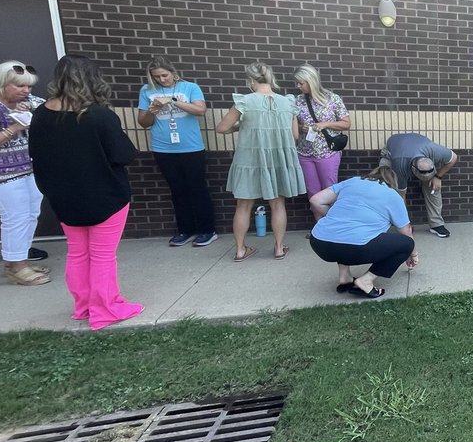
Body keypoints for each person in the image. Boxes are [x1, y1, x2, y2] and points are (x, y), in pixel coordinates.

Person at [29, 55, 143, 329]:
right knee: (103, 255)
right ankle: (104, 310)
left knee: (78, 253)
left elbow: (36, 155)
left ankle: (83, 307)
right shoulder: (100, 116)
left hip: (63, 196)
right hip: (105, 195)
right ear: (93, 80)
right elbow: (124, 154)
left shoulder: (41, 115)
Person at [215, 62, 306, 262]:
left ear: (250, 80)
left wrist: (241, 127)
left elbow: (222, 128)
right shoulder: (287, 102)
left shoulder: (245, 101)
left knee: (243, 206)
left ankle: (240, 250)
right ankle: (279, 248)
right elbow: (295, 134)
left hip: (250, 159)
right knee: (278, 204)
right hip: (278, 159)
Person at [0, 61, 49, 285]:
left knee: (31, 212)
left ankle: (17, 262)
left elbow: (49, 108)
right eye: (20, 86)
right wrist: (13, 128)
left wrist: (33, 111)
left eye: (29, 86)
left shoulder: (26, 102)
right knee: (15, 215)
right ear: (2, 83)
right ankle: (17, 268)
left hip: (25, 167)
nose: (27, 91)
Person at [136, 55, 218, 247]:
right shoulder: (147, 91)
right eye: (156, 77)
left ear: (173, 72)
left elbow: (200, 110)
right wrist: (153, 109)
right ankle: (185, 229)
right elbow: (143, 123)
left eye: (164, 75)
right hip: (163, 147)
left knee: (197, 188)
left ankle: (207, 230)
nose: (161, 80)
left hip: (191, 146)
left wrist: (172, 100)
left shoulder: (189, 87)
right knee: (177, 190)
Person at [308, 166, 417, 300]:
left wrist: (333, 217)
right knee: (406, 244)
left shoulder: (352, 182)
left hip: (319, 242)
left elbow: (315, 200)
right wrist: (413, 253)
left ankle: (345, 278)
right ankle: (366, 280)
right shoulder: (393, 195)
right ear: (392, 182)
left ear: (371, 175)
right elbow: (406, 232)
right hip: (354, 247)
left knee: (347, 234)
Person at [293, 64, 351, 222]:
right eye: (297, 83)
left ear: (310, 81)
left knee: (329, 189)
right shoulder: (298, 101)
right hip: (305, 152)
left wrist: (325, 124)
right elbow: (292, 126)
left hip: (327, 152)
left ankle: (333, 223)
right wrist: (300, 127)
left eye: (301, 83)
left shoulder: (332, 98)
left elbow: (346, 123)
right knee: (312, 190)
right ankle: (319, 225)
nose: (298, 86)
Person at [379, 132, 458, 238]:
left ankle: (436, 225)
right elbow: (401, 196)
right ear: (413, 170)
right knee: (389, 187)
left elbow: (453, 158)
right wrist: (405, 225)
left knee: (433, 187)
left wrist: (437, 177)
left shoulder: (435, 151)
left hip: (416, 147)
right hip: (392, 153)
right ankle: (391, 224)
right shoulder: (400, 164)